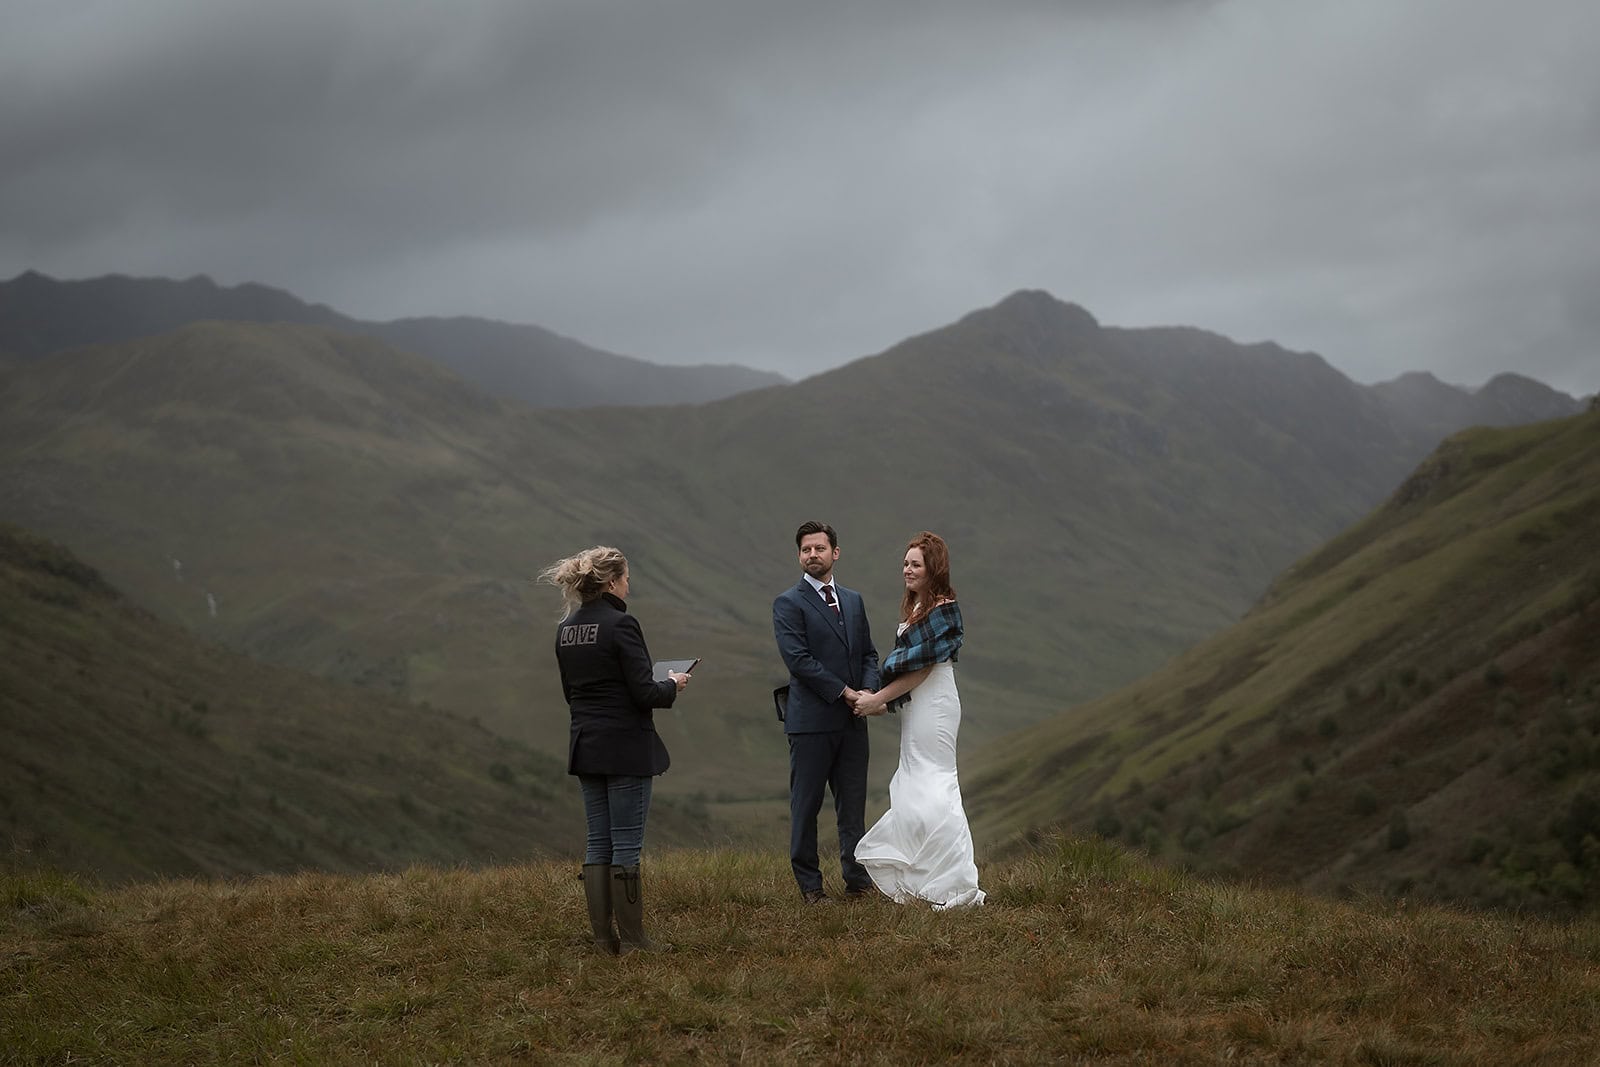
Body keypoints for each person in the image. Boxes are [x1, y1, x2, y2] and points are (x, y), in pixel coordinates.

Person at [540, 545, 692, 954]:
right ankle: (635, 941)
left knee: (597, 842)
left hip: (586, 744)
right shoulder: (622, 625)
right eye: (626, 579)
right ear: (612, 582)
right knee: (626, 844)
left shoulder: (566, 629)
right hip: (625, 746)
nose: (629, 585)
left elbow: (571, 693)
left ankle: (603, 939)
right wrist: (672, 684)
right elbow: (645, 693)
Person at [852, 532, 985, 910]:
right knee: (916, 781)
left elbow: (923, 668)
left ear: (933, 569)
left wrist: (878, 698)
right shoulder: (915, 607)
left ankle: (954, 882)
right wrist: (883, 700)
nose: (907, 570)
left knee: (936, 783)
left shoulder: (943, 608)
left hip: (935, 704)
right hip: (915, 706)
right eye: (905, 564)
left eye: (915, 564)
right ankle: (925, 876)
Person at [772, 521, 881, 904]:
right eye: (806, 550)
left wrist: (868, 691)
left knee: (852, 807)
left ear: (836, 553)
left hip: (853, 722)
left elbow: (868, 652)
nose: (812, 555)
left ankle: (858, 880)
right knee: (806, 806)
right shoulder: (788, 603)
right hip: (811, 723)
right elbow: (799, 661)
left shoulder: (853, 600)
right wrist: (846, 692)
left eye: (819, 548)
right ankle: (810, 887)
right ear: (799, 556)